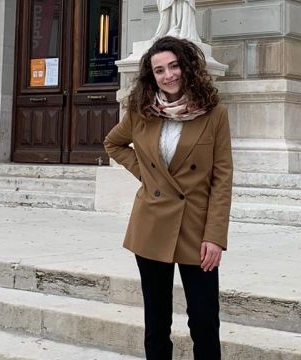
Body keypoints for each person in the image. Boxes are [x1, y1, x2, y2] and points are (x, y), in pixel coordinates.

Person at [104, 36, 233, 360]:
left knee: (204, 322)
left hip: (197, 230)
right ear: (152, 75)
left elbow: (222, 179)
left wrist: (215, 237)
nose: (168, 75)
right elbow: (113, 144)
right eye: (159, 70)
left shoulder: (214, 114)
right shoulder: (141, 111)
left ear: (187, 67)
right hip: (151, 225)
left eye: (174, 66)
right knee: (157, 323)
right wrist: (148, 177)